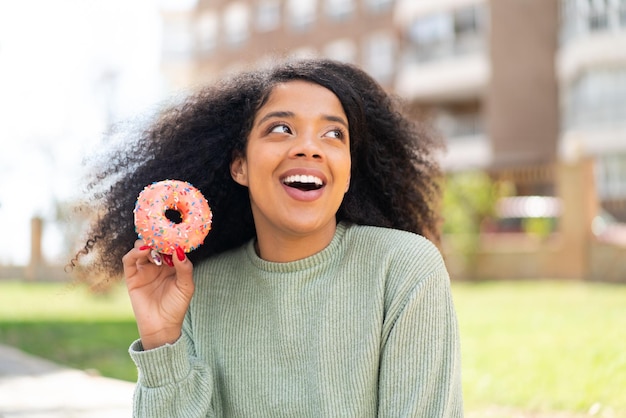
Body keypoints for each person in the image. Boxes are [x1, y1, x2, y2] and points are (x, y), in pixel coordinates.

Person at [76, 58, 463, 417]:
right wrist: (162, 339)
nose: (309, 148)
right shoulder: (197, 290)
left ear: (348, 171)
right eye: (281, 128)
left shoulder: (404, 268)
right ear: (239, 166)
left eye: (333, 134)